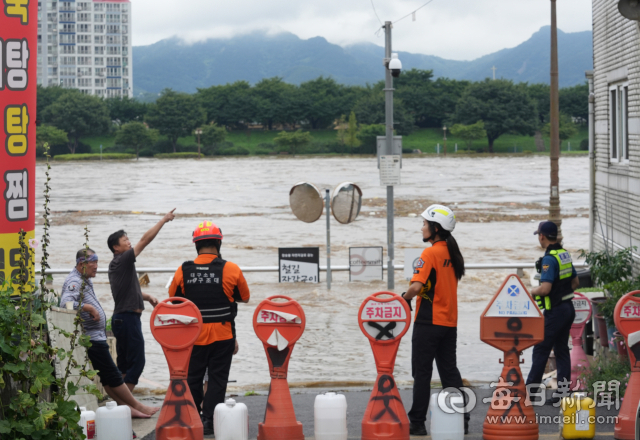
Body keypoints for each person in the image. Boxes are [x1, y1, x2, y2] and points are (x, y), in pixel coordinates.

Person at [168, 221, 249, 436]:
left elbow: (174, 300)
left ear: (196, 245)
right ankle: (210, 422)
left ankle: (193, 418)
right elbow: (244, 297)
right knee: (217, 378)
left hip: (192, 336)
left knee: (192, 377)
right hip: (223, 335)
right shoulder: (231, 268)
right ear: (218, 242)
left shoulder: (183, 270)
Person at [60, 249, 160, 423]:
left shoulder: (84, 279)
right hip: (91, 337)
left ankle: (127, 408)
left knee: (107, 377)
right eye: (93, 263)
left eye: (97, 263)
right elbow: (65, 303)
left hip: (95, 335)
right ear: (82, 264)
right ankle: (138, 406)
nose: (97, 267)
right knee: (113, 374)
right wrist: (89, 308)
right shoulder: (74, 281)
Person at [400, 204, 469, 436]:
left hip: (428, 323)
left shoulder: (430, 253)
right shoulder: (453, 253)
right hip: (449, 323)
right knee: (450, 372)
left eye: (425, 224)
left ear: (436, 228)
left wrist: (404, 297)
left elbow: (417, 286)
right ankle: (462, 418)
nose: (422, 228)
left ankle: (417, 423)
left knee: (422, 374)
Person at [107, 209, 176, 392]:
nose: (129, 243)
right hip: (127, 319)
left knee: (124, 363)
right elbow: (145, 241)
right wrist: (164, 220)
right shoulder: (122, 260)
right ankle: (127, 401)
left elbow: (127, 291)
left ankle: (121, 400)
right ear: (116, 247)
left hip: (123, 318)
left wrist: (147, 296)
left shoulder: (119, 265)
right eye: (125, 241)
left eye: (129, 239)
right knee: (137, 362)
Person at [526, 221, 578, 404]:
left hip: (555, 311)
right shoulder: (564, 254)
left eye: (538, 235)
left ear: (542, 236)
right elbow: (575, 283)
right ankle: (563, 393)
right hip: (568, 308)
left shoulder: (548, 259)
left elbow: (545, 289)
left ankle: (529, 394)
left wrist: (531, 291)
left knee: (540, 349)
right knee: (562, 349)